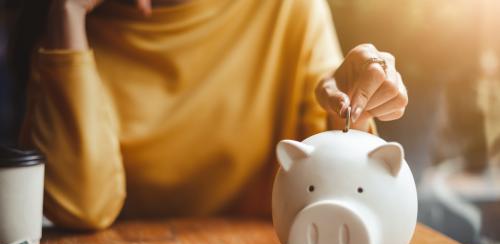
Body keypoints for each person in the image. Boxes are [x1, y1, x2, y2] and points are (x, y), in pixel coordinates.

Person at [14, 0, 408, 230]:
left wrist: (353, 109)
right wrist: (66, 12)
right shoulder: (72, 31)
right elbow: (79, 207)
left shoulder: (287, 9)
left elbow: (337, 182)